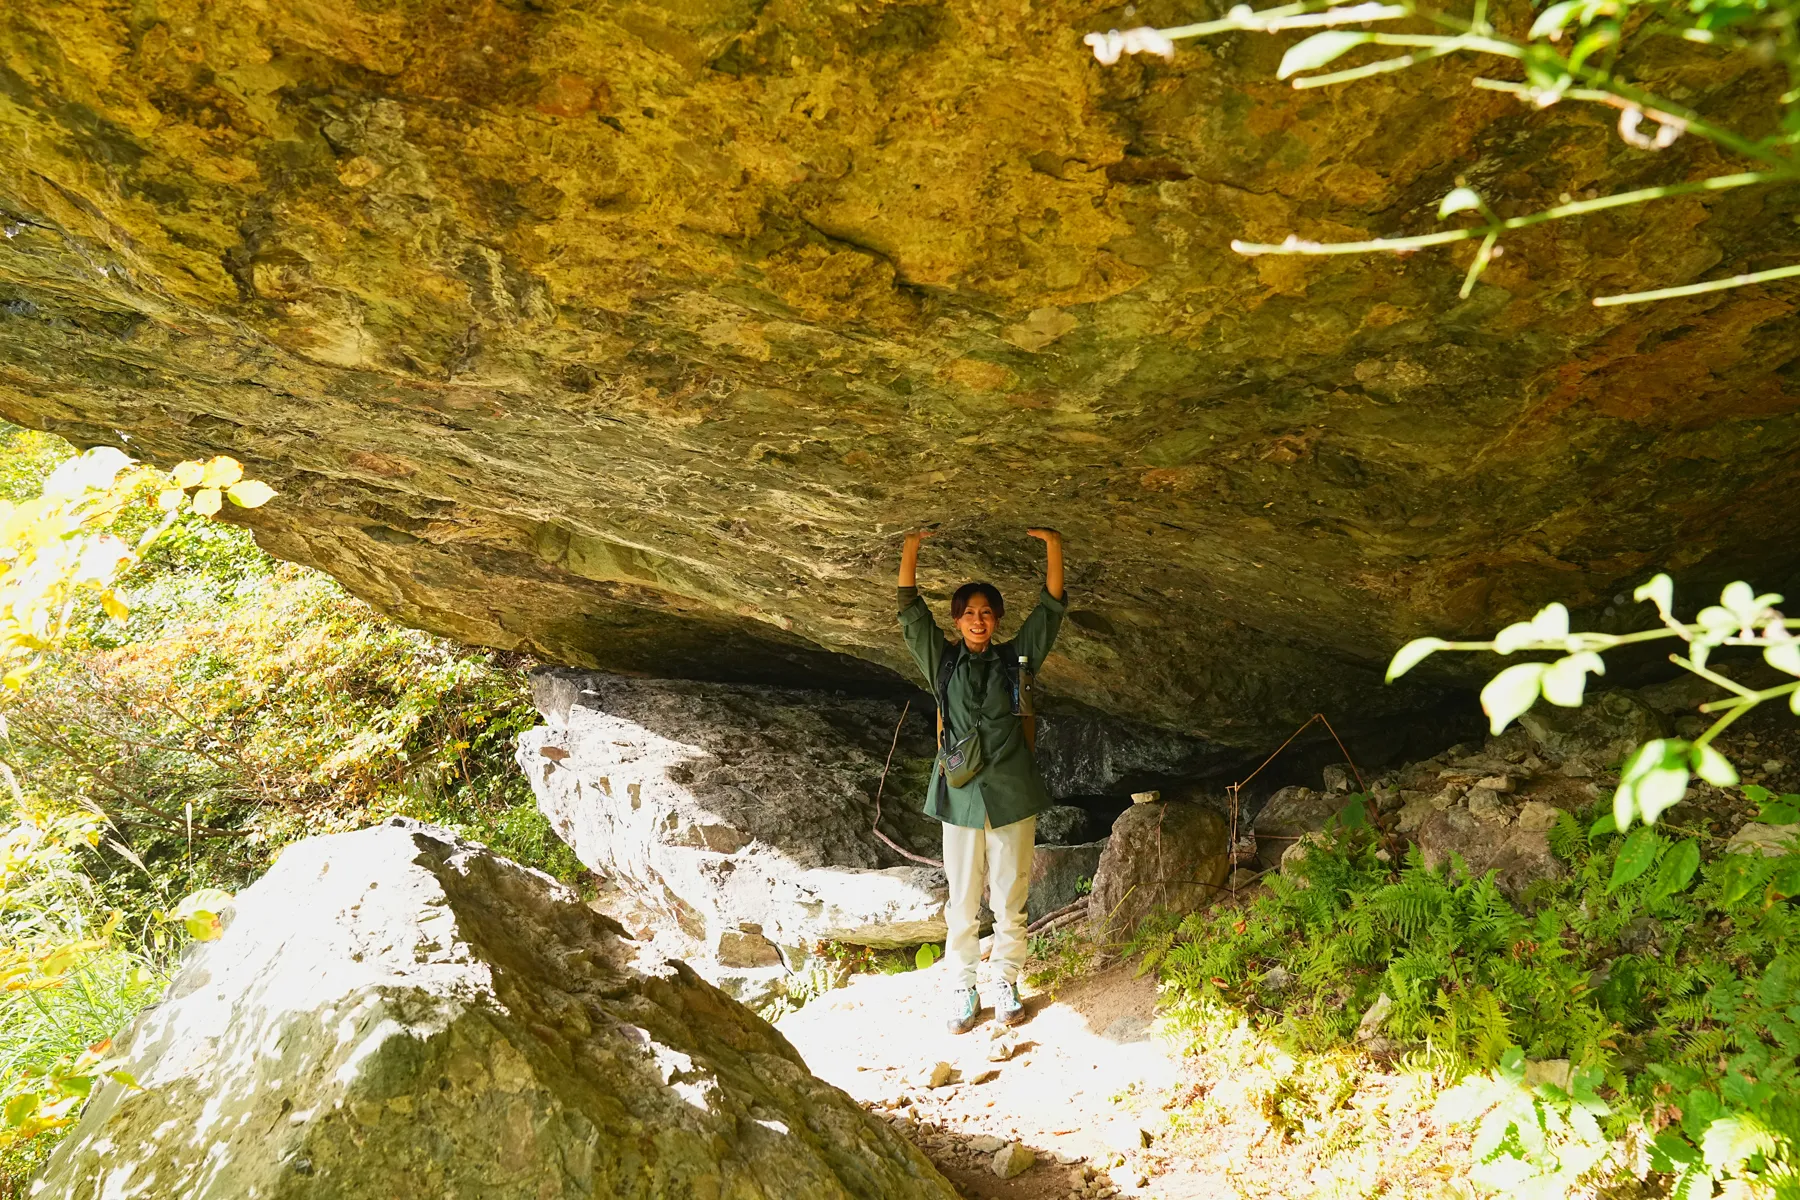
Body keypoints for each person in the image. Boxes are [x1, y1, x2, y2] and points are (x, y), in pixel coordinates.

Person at [896, 527, 1065, 1033]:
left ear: (996, 621)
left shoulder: (1017, 662)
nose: (977, 620)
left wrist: (1053, 546)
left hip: (1012, 795)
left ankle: (1007, 981)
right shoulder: (942, 662)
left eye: (986, 613)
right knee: (963, 900)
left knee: (1010, 896)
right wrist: (911, 549)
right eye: (968, 612)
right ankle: (962, 988)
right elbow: (909, 611)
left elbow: (1051, 607)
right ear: (957, 620)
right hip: (961, 796)